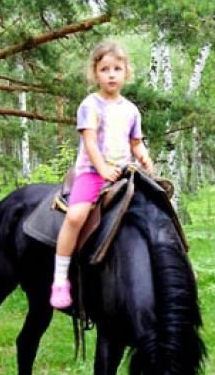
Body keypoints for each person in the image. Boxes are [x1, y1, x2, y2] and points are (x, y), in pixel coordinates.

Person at [50, 41, 154, 310]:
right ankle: (60, 278)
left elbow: (136, 143)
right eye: (104, 69)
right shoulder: (90, 105)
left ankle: (177, 261)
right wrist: (102, 168)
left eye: (117, 69)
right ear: (95, 73)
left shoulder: (131, 110)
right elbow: (90, 142)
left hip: (124, 175)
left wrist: (144, 156)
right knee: (75, 217)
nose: (111, 74)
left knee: (158, 207)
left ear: (126, 73)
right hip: (92, 174)